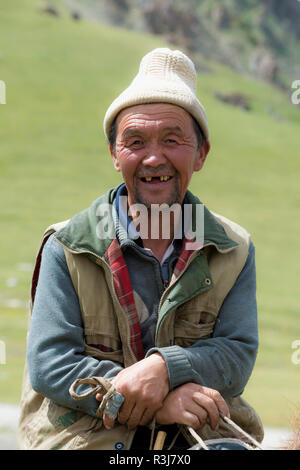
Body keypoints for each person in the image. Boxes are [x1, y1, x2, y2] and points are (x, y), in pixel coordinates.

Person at [18, 48, 264, 450]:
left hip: (197, 435)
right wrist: (158, 399)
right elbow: (50, 364)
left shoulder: (233, 249)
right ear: (114, 154)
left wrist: (164, 368)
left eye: (172, 139)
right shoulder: (67, 246)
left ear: (200, 153)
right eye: (135, 141)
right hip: (89, 436)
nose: (153, 157)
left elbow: (235, 357)